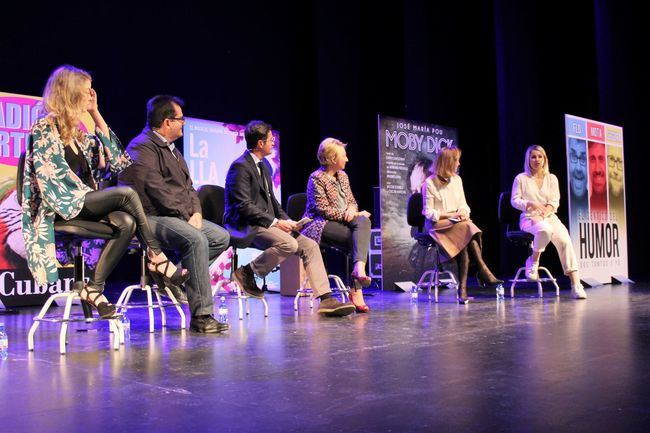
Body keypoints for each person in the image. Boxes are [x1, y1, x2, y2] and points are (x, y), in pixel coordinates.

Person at [21, 65, 189, 319]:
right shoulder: (44, 128)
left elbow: (119, 162)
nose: (91, 96)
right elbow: (52, 182)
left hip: (80, 202)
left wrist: (95, 113)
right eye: (87, 91)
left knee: (126, 221)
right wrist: (84, 194)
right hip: (59, 206)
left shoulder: (78, 135)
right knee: (127, 195)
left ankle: (94, 289)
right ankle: (158, 257)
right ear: (70, 92)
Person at [118, 95, 231, 333]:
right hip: (148, 217)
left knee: (221, 237)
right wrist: (184, 215)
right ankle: (201, 316)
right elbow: (156, 189)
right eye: (180, 119)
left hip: (174, 216)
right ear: (167, 122)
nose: (184, 123)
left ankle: (173, 276)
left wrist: (197, 212)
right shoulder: (141, 146)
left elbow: (189, 188)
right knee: (196, 238)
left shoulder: (173, 152)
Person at [224, 120, 355, 317]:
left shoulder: (264, 165)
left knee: (309, 245)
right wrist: (276, 223)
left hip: (266, 224)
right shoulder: (240, 167)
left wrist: (290, 222)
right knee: (290, 245)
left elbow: (273, 204)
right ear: (260, 143)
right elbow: (243, 207)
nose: (273, 142)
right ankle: (247, 273)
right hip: (246, 225)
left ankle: (326, 299)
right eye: (270, 139)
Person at [422, 146, 502, 304]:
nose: (459, 163)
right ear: (449, 162)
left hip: (457, 224)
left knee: (466, 238)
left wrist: (463, 212)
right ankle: (481, 270)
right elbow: (428, 212)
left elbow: (464, 205)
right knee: (467, 228)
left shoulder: (457, 180)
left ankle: (463, 289)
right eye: (457, 160)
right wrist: (452, 215)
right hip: (437, 224)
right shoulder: (429, 183)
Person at [300, 138, 372, 313]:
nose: (347, 159)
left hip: (343, 221)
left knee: (364, 222)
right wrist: (350, 214)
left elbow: (351, 201)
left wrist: (353, 209)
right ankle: (356, 291)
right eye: (344, 156)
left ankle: (358, 269)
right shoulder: (316, 178)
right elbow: (323, 210)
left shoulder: (343, 176)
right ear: (332, 159)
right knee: (357, 239)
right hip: (317, 224)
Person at [511, 145, 587, 299]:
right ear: (528, 159)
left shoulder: (552, 178)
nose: (537, 160)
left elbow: (555, 201)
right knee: (544, 230)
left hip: (550, 216)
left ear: (544, 159)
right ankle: (533, 261)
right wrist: (530, 204)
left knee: (565, 241)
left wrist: (546, 211)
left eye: (540, 157)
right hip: (529, 218)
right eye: (533, 157)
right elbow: (514, 200)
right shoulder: (521, 178)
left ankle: (576, 284)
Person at [567, 137, 588, 221]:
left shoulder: (597, 205)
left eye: (583, 159)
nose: (578, 168)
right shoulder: (556, 198)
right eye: (574, 157)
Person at [588, 141, 607, 212]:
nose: (597, 169)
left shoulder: (617, 205)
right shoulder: (585, 206)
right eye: (592, 160)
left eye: (601, 159)